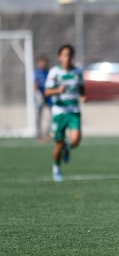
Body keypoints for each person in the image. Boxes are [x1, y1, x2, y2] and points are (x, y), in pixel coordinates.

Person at [44, 44, 86, 182]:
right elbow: (47, 92)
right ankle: (56, 167)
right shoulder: (54, 72)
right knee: (58, 145)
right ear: (59, 57)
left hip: (73, 110)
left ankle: (67, 148)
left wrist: (83, 96)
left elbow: (81, 87)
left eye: (69, 55)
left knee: (76, 140)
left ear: (72, 57)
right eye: (64, 55)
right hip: (59, 111)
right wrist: (58, 91)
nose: (66, 58)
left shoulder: (78, 72)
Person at [34, 55, 52, 142]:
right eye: (41, 62)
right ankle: (39, 135)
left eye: (44, 62)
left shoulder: (48, 72)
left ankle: (47, 133)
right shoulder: (36, 73)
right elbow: (35, 85)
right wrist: (38, 95)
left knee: (52, 114)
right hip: (40, 97)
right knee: (39, 116)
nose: (43, 64)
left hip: (48, 97)